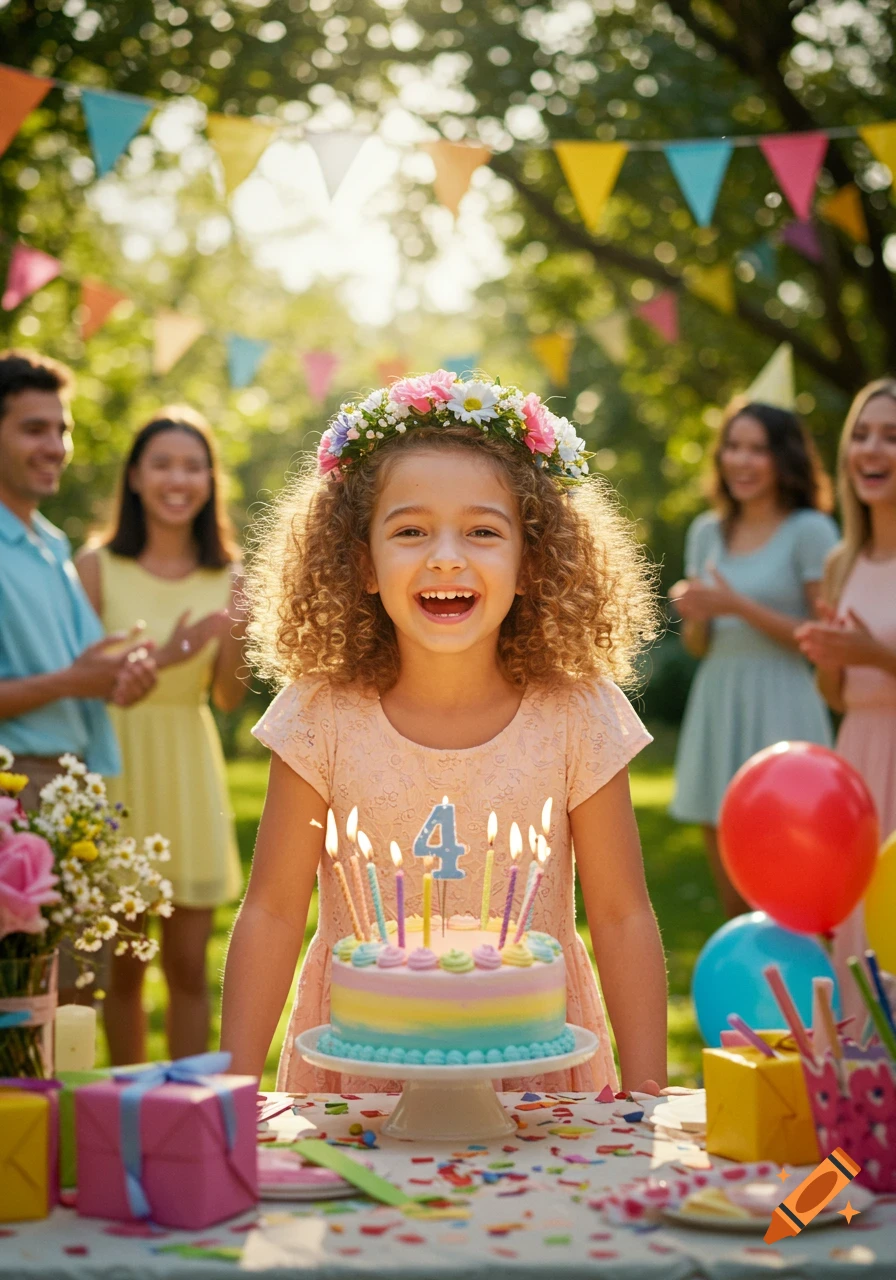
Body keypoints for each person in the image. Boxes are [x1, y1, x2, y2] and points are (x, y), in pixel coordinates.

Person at [221, 370, 667, 1094]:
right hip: (358, 1081)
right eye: (411, 530)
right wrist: (231, 1094)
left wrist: (649, 1099)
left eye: (484, 531)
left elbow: (621, 916)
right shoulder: (320, 714)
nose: (447, 556)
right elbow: (272, 910)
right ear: (362, 563)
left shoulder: (580, 713)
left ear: (533, 562)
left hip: (540, 1080)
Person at [76, 406, 246, 1062]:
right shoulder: (95, 567)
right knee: (120, 968)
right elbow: (81, 680)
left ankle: (186, 1109)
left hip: (187, 767)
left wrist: (236, 631)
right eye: (164, 464)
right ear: (137, 478)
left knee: (186, 966)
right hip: (115, 766)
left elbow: (227, 697)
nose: (180, 479)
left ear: (210, 480)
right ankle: (123, 1108)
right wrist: (166, 655)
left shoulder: (229, 577)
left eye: (193, 465)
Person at [669, 400, 839, 918]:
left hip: (783, 705)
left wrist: (736, 605)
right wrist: (695, 613)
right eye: (733, 447)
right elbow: (701, 644)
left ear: (783, 458)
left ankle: (806, 995)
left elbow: (825, 637)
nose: (741, 461)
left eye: (757, 449)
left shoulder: (810, 530)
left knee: (791, 888)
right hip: (720, 702)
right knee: (732, 897)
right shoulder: (706, 532)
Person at [0, 349, 156, 809]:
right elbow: (71, 678)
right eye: (34, 430)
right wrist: (73, 681)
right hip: (12, 783)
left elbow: (83, 674)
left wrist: (121, 678)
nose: (55, 447)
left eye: (61, 430)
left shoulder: (51, 543)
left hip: (69, 781)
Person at [796, 379, 896, 1021]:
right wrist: (831, 661)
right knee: (856, 928)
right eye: (861, 434)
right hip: (857, 757)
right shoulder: (841, 561)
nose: (871, 447)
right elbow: (837, 694)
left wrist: (875, 655)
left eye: (890, 435)